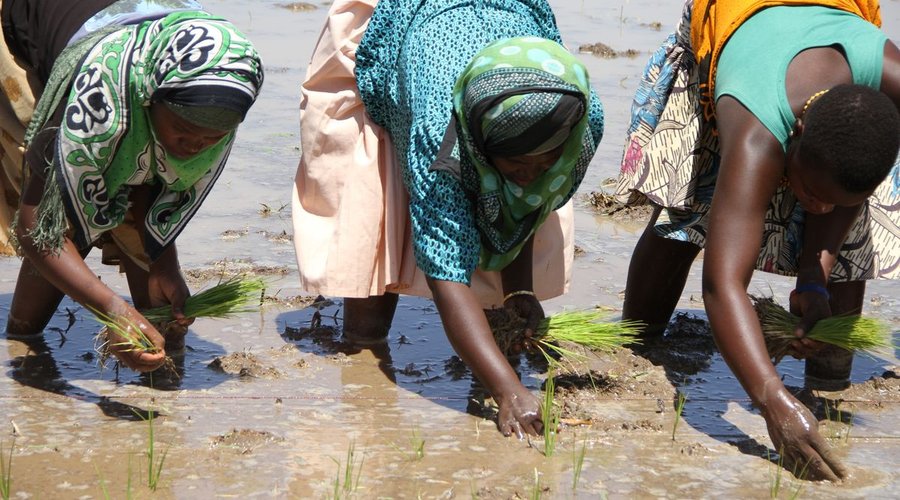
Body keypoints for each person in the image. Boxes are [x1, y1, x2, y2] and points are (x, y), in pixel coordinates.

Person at [293, 0, 603, 438]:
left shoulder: (574, 115)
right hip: (404, 29)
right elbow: (446, 269)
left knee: (510, 189)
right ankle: (364, 340)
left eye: (543, 163)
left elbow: (528, 197)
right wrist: (507, 392)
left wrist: (520, 288)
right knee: (379, 191)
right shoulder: (439, 133)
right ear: (476, 146)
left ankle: (498, 325)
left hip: (506, 17)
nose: (529, 177)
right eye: (514, 165)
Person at [616, 0, 899, 481]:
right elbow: (722, 284)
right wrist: (771, 401)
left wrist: (815, 275)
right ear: (798, 133)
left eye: (834, 202)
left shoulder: (887, 77)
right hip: (736, 21)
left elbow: (841, 189)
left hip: (828, 16)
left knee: (858, 243)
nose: (819, 208)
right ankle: (635, 346)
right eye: (811, 192)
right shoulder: (756, 130)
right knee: (688, 216)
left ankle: (826, 388)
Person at [0, 0, 264, 372]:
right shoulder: (98, 98)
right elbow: (34, 224)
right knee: (62, 210)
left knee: (149, 281)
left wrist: (163, 265)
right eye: (184, 131)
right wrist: (112, 309)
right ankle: (22, 344)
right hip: (37, 16)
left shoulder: (219, 86)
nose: (196, 146)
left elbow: (154, 177)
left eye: (213, 137)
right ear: (148, 99)